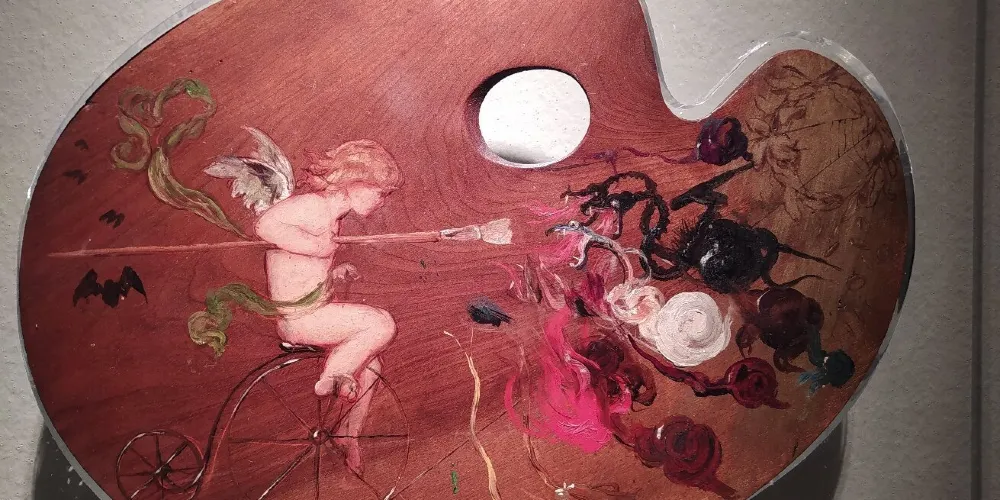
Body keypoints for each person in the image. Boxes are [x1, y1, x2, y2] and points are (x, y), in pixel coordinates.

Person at [254, 139, 402, 475]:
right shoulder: (314, 206)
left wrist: (332, 272)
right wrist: (315, 246)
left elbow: (300, 272)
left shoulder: (330, 217)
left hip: (311, 312)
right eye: (380, 192)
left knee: (371, 364)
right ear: (354, 181)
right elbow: (265, 225)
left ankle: (348, 434)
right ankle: (333, 377)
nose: (381, 201)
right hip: (301, 319)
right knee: (381, 324)